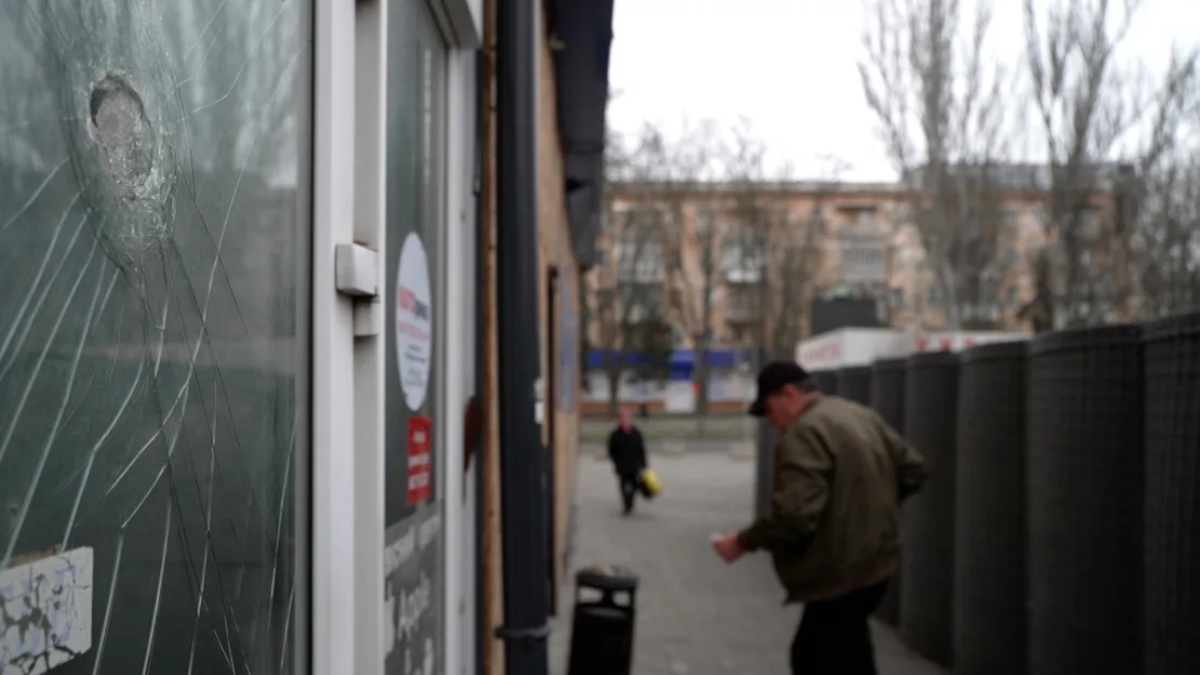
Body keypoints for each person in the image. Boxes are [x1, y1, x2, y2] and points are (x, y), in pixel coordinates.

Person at [711, 361, 927, 675]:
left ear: (788, 394)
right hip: (877, 565)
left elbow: (794, 517)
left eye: (770, 411)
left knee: (815, 658)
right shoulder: (858, 414)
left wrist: (742, 542)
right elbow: (913, 470)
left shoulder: (805, 431)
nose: (772, 423)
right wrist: (869, 510)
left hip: (840, 574)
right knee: (843, 650)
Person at [607, 406, 648, 515]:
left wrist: (644, 465)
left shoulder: (636, 433)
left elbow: (642, 449)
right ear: (619, 420)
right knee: (623, 486)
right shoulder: (615, 435)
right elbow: (611, 450)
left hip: (635, 465)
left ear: (631, 419)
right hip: (622, 466)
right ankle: (626, 505)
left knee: (634, 485)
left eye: (627, 417)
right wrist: (616, 461)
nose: (625, 420)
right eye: (622, 418)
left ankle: (630, 502)